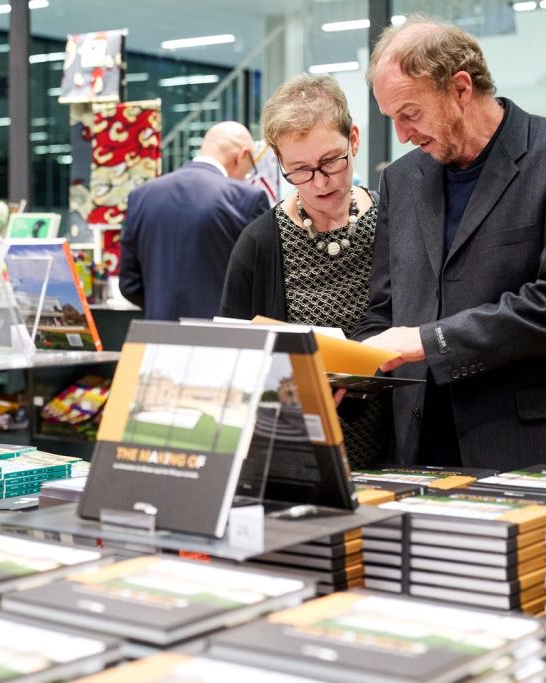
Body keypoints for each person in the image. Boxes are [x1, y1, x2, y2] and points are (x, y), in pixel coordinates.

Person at [355, 17, 546, 471]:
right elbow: (385, 307)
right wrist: (353, 366)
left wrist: (428, 340)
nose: (401, 135)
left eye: (409, 113)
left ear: (459, 88)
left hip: (529, 444)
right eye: (392, 118)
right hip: (419, 446)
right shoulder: (400, 181)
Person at [219, 74, 386, 469]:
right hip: (298, 449)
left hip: (394, 441)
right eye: (300, 169)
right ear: (279, 162)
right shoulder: (259, 243)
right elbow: (231, 350)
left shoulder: (393, 222)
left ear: (354, 139)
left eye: (330, 161)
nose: (319, 182)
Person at [119, 121, 268, 320]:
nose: (246, 177)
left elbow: (129, 284)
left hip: (157, 336)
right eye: (248, 171)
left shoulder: (141, 196)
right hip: (223, 340)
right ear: (242, 155)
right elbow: (263, 283)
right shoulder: (248, 199)